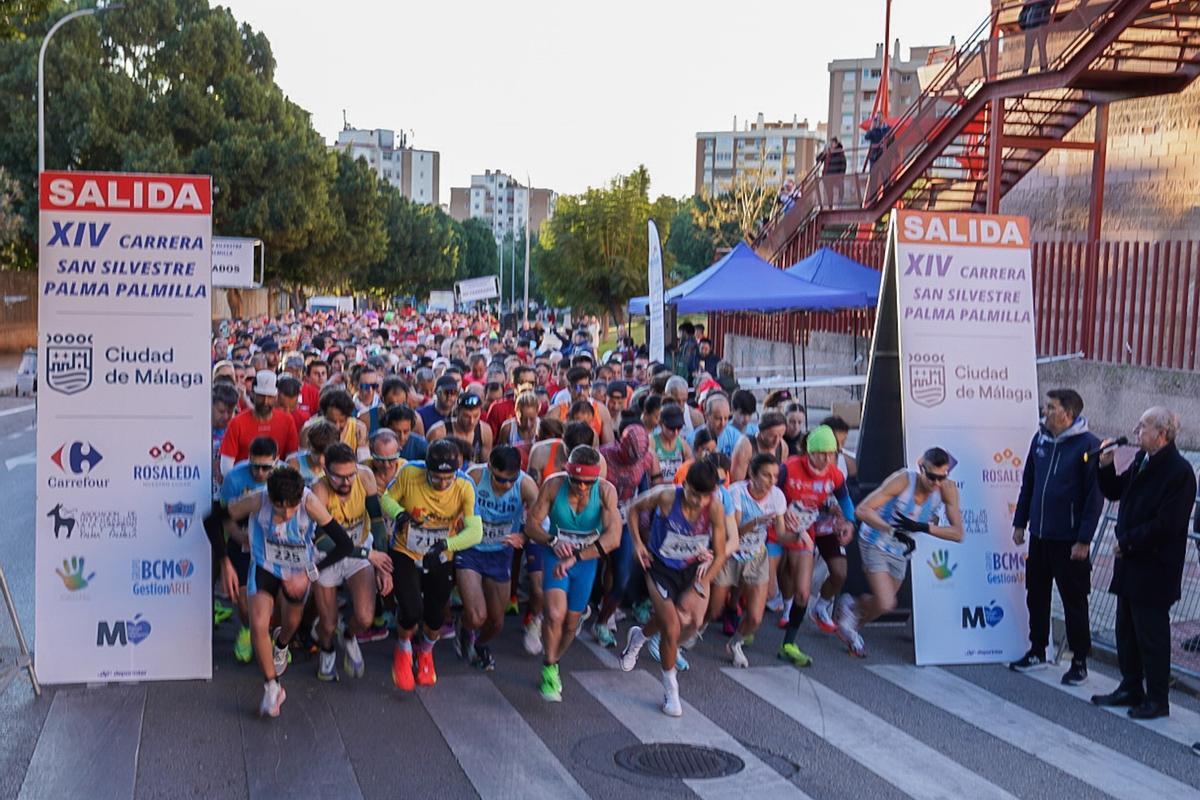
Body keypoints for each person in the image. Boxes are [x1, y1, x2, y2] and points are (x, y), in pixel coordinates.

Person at [219, 466, 353, 717]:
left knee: (290, 624)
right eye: (281, 508)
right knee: (259, 625)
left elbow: (344, 544)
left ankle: (282, 644)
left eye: (292, 507)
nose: (288, 513)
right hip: (265, 565)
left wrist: (309, 574)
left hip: (297, 572)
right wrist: (230, 551)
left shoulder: (309, 503)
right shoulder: (257, 499)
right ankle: (272, 687)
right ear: (271, 499)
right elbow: (215, 518)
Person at [1091, 407, 1196, 720]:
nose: (1136, 431)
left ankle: (1157, 698)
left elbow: (1168, 524)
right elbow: (1115, 491)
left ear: (1161, 434)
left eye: (1143, 426)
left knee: (1151, 635)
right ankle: (1130, 685)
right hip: (1131, 562)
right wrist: (1106, 467)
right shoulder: (1141, 460)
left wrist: (1128, 540)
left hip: (1154, 566)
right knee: (1126, 629)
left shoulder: (1179, 471)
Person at [619, 460, 728, 717]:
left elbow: (721, 553)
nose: (697, 502)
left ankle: (640, 636)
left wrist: (699, 584)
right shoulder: (667, 496)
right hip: (659, 567)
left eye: (704, 497)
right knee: (671, 627)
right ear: (684, 485)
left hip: (691, 570)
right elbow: (632, 509)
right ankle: (671, 691)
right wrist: (638, 544)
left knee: (692, 623)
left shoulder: (714, 507)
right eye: (693, 494)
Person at [1009, 389, 1102, 685]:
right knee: (1036, 595)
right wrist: (1020, 522)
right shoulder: (1040, 440)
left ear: (1067, 414)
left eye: (1051, 407)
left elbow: (1094, 498)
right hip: (1040, 534)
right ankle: (1037, 649)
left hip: (1069, 539)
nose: (1045, 411)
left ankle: (1079, 661)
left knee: (1074, 600)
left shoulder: (1089, 446)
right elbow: (1029, 483)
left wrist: (1084, 539)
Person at [838, 447, 964, 657]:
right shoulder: (903, 480)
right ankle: (851, 626)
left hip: (901, 549)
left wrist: (923, 528)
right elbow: (863, 509)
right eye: (932, 477)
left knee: (882, 605)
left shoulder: (946, 489)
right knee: (887, 602)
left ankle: (852, 614)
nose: (936, 483)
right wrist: (891, 530)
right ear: (921, 467)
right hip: (875, 541)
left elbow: (958, 533)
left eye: (942, 477)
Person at [524, 445, 622, 702]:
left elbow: (613, 538)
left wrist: (576, 557)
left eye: (587, 482)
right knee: (555, 614)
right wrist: (552, 540)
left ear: (596, 478)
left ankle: (554, 660)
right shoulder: (554, 486)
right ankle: (548, 667)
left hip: (585, 561)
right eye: (576, 480)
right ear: (568, 473)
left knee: (570, 623)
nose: (580, 487)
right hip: (555, 556)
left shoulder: (606, 492)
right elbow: (531, 525)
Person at [385, 439, 482, 691]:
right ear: (426, 469)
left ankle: (426, 653)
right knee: (411, 609)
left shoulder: (465, 485)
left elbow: (476, 532)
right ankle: (404, 649)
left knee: (436, 614)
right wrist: (399, 513)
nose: (442, 483)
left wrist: (446, 545)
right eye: (436, 477)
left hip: (440, 554)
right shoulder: (409, 473)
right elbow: (386, 498)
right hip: (406, 549)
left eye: (448, 477)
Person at [310, 443, 394, 682]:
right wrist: (369, 556)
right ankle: (327, 650)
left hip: (359, 550)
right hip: (327, 557)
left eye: (350, 475)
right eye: (339, 477)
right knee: (326, 624)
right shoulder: (318, 491)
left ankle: (348, 634)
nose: (346, 483)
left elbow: (377, 522)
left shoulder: (365, 477)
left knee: (365, 618)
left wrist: (383, 568)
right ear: (326, 471)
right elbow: (324, 541)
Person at [774, 426, 856, 665]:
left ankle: (788, 643)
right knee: (767, 590)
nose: (827, 459)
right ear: (809, 452)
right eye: (821, 453)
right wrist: (781, 513)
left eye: (831, 454)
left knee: (803, 591)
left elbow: (845, 499)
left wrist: (849, 522)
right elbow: (769, 492)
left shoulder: (834, 474)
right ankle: (745, 627)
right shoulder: (789, 468)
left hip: (804, 532)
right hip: (776, 529)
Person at [457, 446, 538, 671]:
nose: (506, 486)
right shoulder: (474, 475)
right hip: (471, 550)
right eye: (501, 479)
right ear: (490, 467)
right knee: (476, 616)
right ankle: (465, 627)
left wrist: (524, 534)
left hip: (500, 553)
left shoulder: (525, 484)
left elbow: (542, 517)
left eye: (511, 480)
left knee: (496, 622)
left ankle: (480, 643)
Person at [717, 453, 788, 668]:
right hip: (730, 554)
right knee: (713, 610)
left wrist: (799, 533)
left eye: (775, 476)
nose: (771, 482)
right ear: (752, 474)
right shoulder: (736, 492)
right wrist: (756, 521)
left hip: (756, 555)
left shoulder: (777, 496)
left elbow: (782, 534)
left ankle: (735, 643)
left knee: (756, 618)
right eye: (766, 475)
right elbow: (733, 533)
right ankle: (688, 637)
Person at [219, 370, 299, 476]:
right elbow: (226, 466)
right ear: (252, 393)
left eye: (269, 397)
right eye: (261, 396)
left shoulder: (287, 421)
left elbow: (292, 457)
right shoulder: (237, 423)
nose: (265, 401)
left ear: (276, 396)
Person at [427, 392, 493, 465]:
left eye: (476, 416)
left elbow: (485, 465)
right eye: (466, 416)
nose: (471, 421)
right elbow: (431, 463)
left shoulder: (485, 431)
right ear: (457, 412)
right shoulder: (438, 432)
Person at [652, 405, 693, 485]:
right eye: (671, 428)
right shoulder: (652, 443)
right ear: (661, 424)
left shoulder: (683, 445)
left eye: (679, 428)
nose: (676, 432)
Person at [816, 137, 847, 205]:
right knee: (829, 192)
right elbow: (818, 159)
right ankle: (830, 205)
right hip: (827, 176)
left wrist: (841, 176)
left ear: (836, 144)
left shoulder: (840, 153)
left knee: (841, 187)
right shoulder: (827, 153)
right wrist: (823, 152)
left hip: (836, 175)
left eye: (832, 143)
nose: (831, 145)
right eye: (830, 143)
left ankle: (840, 202)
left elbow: (843, 165)